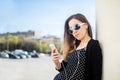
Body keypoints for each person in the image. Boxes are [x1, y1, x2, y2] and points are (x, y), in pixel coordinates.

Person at [51, 13, 102, 80]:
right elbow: (65, 70)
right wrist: (56, 62)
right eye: (71, 30)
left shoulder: (93, 45)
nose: (74, 32)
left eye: (76, 26)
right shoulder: (73, 46)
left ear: (86, 25)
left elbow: (96, 74)